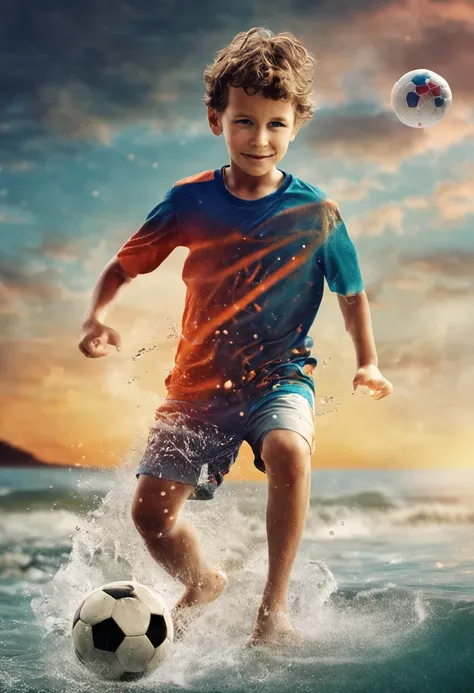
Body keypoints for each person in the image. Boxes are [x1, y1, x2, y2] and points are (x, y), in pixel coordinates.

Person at [78, 27, 393, 647]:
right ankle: (203, 580)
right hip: (197, 387)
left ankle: (273, 611)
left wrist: (369, 363)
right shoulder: (189, 200)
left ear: (297, 124)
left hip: (281, 374)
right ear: (216, 119)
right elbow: (124, 264)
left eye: (276, 123)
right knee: (150, 517)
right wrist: (96, 316)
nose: (259, 138)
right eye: (244, 121)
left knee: (289, 452)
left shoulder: (316, 214)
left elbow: (350, 294)